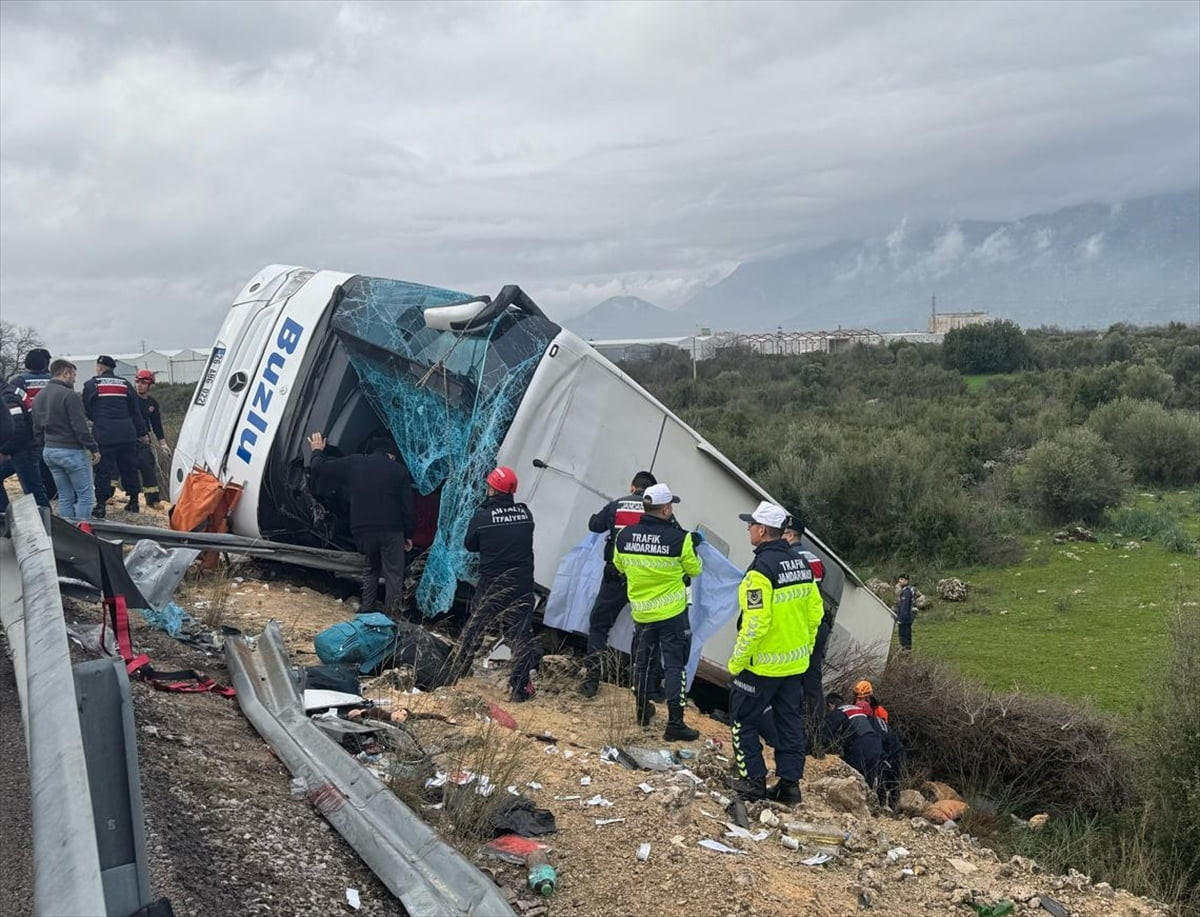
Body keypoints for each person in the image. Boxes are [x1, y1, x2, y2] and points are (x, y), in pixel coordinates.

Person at [725, 501, 824, 803]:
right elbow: (815, 614)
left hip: (761, 667)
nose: (748, 529)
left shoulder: (759, 571)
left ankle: (753, 780)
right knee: (789, 724)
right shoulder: (802, 566)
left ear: (763, 531)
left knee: (743, 720)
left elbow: (755, 622)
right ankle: (790, 786)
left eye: (751, 525)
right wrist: (804, 651)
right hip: (793, 666)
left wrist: (737, 661)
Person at [613, 482, 702, 740]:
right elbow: (695, 570)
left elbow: (620, 565)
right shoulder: (681, 540)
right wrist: (693, 546)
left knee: (641, 663)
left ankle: (642, 711)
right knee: (675, 666)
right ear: (665, 510)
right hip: (673, 614)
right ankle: (675, 724)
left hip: (642, 613)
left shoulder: (624, 536)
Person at [447, 465, 540, 703]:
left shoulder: (483, 517)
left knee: (475, 628)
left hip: (492, 584)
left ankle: (457, 673)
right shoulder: (526, 514)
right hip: (521, 583)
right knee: (521, 634)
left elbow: (470, 544)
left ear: (492, 489)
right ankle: (520, 688)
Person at [308, 432, 415, 613]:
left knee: (371, 569)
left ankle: (366, 610)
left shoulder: (355, 462)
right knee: (394, 573)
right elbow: (407, 508)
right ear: (392, 455)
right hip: (391, 529)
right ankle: (392, 616)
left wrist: (317, 451)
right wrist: (408, 534)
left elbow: (319, 467)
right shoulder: (399, 471)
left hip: (361, 530)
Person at [579, 470, 663, 698]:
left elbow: (595, 525)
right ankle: (646, 689)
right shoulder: (659, 510)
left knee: (599, 626)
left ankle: (591, 682)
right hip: (646, 581)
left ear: (632, 487)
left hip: (616, 577)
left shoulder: (618, 505)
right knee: (647, 631)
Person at [782, 513, 833, 740]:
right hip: (818, 624)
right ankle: (815, 734)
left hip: (798, 625)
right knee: (812, 681)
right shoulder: (815, 560)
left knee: (786, 675)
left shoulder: (787, 557)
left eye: (781, 533)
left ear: (790, 535)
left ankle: (783, 727)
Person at [31, 360, 101, 523]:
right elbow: (80, 427)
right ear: (65, 373)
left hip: (50, 451)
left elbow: (36, 428)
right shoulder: (70, 395)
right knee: (85, 496)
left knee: (65, 496)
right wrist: (93, 448)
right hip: (71, 451)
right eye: (73, 375)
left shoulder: (39, 396)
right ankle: (82, 536)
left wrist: (44, 445)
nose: (74, 380)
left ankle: (68, 536)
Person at [82, 355, 147, 517]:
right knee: (129, 468)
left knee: (103, 470)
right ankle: (133, 502)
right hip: (127, 434)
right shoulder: (125, 384)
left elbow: (88, 409)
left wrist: (99, 419)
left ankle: (101, 505)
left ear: (100, 367)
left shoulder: (92, 384)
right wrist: (142, 432)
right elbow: (135, 411)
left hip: (104, 434)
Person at [0, 377, 52, 522]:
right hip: (21, 448)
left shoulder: (7, 396)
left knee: (33, 491)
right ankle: (4, 516)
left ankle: (46, 524)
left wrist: (3, 451)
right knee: (34, 488)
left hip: (23, 450)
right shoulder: (10, 391)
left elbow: (16, 429)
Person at [8, 347, 56, 498]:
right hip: (53, 425)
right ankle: (52, 490)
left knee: (36, 463)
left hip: (32, 427)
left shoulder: (19, 381)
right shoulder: (52, 380)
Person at [822, 692, 883, 792]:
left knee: (853, 779)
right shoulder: (857, 709)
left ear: (830, 705)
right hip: (875, 743)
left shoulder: (840, 711)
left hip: (861, 745)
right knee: (868, 783)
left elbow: (826, 732)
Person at [132, 370, 171, 507]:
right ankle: (115, 496)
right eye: (138, 382)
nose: (139, 385)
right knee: (122, 469)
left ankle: (153, 500)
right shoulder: (129, 399)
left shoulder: (152, 404)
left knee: (148, 467)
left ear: (149, 385)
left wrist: (163, 443)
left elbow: (156, 424)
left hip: (144, 441)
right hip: (127, 439)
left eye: (143, 383)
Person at [895, 574, 915, 651]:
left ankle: (905, 651)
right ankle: (907, 650)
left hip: (905, 618)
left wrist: (900, 619)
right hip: (907, 618)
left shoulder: (907, 592)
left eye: (902, 579)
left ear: (906, 581)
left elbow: (904, 606)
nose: (900, 581)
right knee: (906, 635)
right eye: (899, 579)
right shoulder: (905, 591)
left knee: (904, 636)